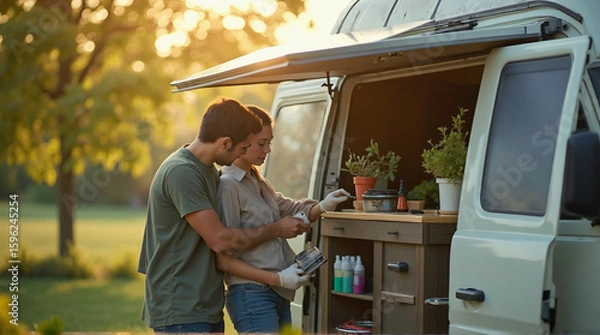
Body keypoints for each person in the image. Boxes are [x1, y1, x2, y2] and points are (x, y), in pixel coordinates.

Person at [137, 98, 312, 334]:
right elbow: (220, 240)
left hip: (205, 305)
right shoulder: (182, 172)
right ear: (225, 142)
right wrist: (276, 230)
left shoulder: (207, 170)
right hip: (181, 307)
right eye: (243, 148)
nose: (242, 155)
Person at [216, 105, 351, 333]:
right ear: (243, 141)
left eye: (270, 142)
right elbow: (224, 257)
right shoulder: (228, 186)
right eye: (261, 143)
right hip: (252, 294)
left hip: (277, 293)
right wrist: (277, 278)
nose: (268, 149)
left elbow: (292, 209)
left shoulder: (258, 182)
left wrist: (324, 205)